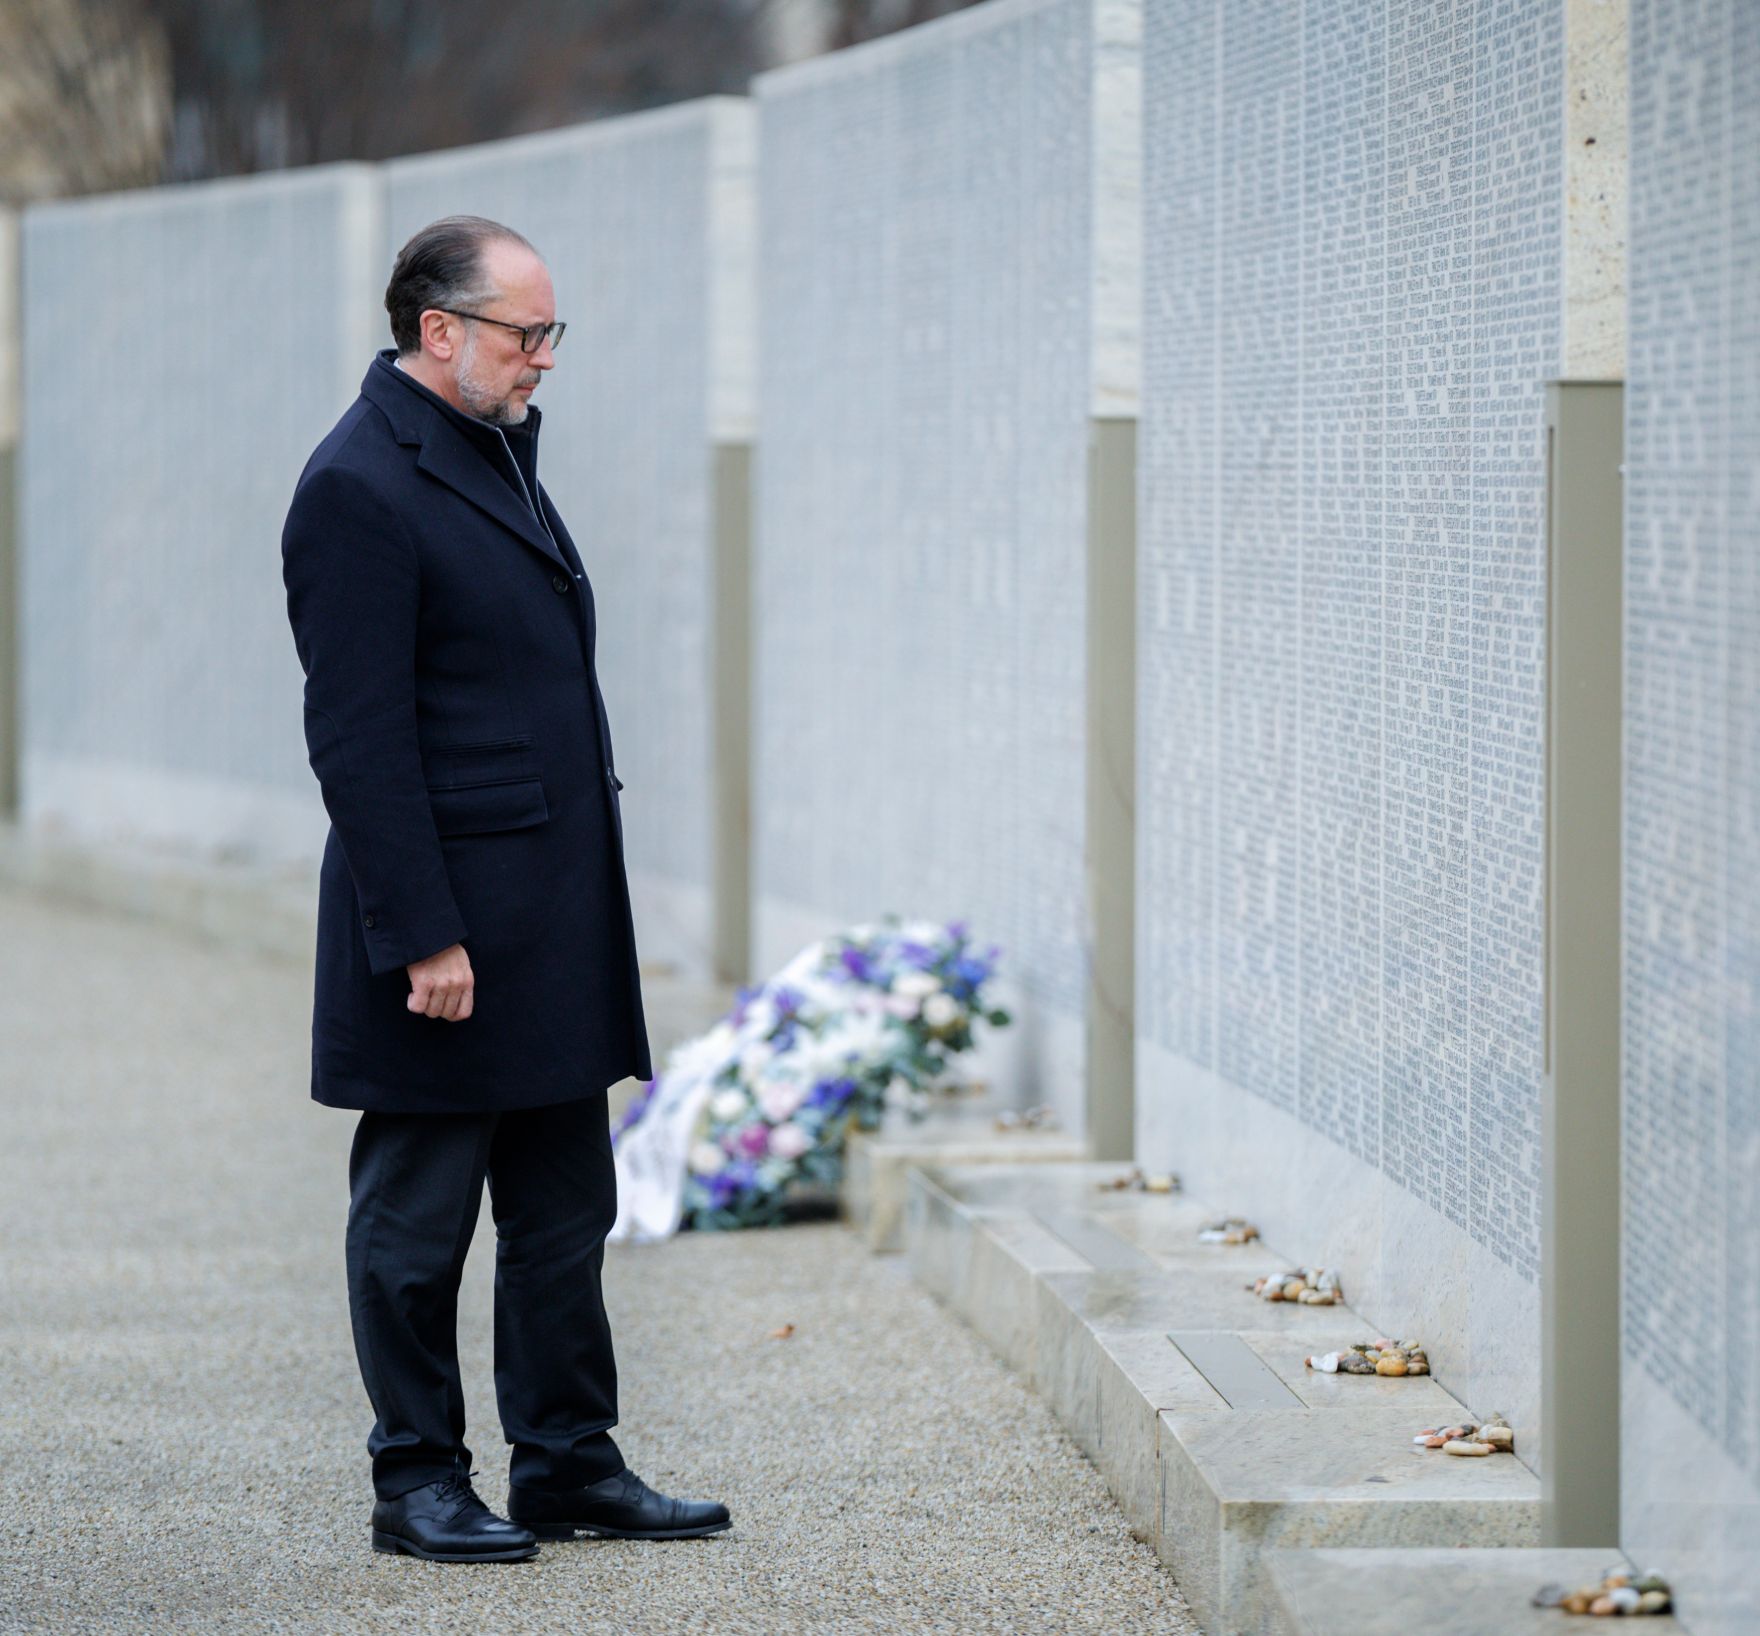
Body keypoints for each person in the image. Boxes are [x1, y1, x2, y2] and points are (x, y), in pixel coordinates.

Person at [280, 214, 730, 1563]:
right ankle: (417, 1480)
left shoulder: (491, 451)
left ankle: (567, 1461)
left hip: (546, 916)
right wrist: (423, 932)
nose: (544, 357)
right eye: (525, 333)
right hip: (452, 931)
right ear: (440, 331)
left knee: (562, 1210)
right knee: (417, 1223)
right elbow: (357, 736)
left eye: (549, 332)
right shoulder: (359, 483)